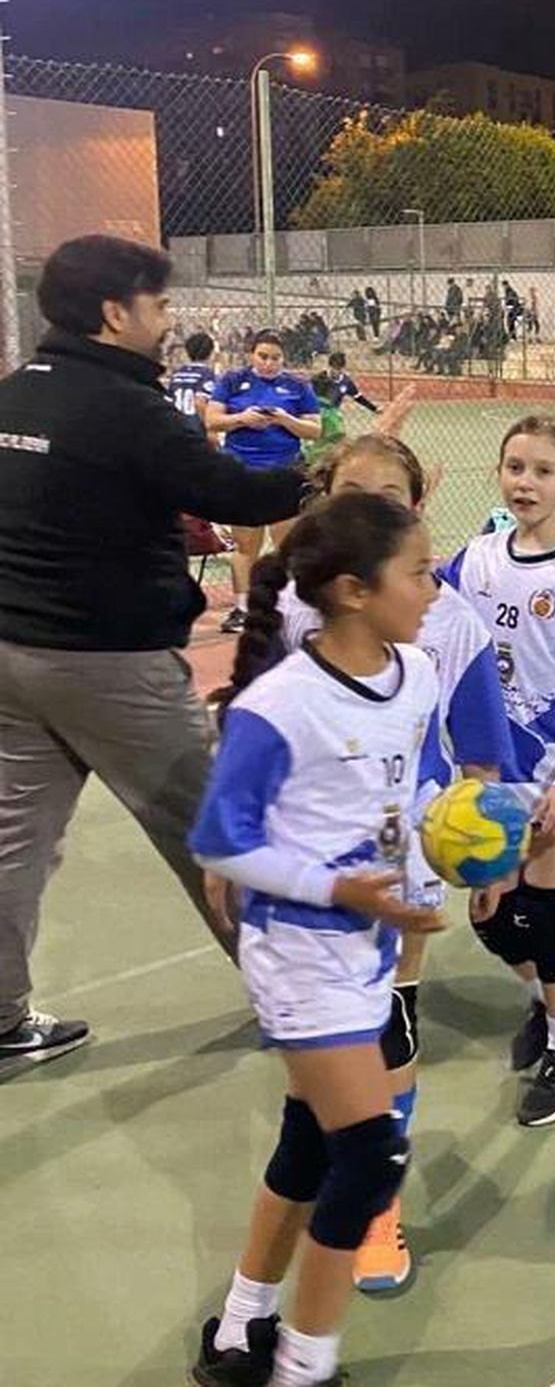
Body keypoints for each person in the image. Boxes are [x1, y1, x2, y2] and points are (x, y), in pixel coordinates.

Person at [0, 236, 314, 1070]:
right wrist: (328, 476)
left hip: (12, 654)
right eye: (159, 303)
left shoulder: (14, 394)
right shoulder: (128, 409)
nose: (168, 318)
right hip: (111, 663)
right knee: (216, 823)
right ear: (115, 313)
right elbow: (236, 494)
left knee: (14, 841)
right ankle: (300, 999)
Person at [186, 492, 444, 1387]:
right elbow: (219, 840)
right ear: (352, 592)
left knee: (309, 1142)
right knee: (371, 1156)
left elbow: (408, 795)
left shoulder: (418, 676)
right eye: (418, 572)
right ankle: (305, 1366)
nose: (433, 587)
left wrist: (460, 841)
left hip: (366, 947)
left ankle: (239, 1331)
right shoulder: (281, 705)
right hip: (297, 950)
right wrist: (337, 888)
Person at [276, 435, 512, 1292]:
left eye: (389, 496)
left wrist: (491, 859)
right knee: (319, 1038)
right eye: (353, 494)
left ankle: (376, 1203)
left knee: (387, 1022)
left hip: (401, 851)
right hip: (309, 854)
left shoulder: (450, 620)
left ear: (417, 506)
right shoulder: (294, 610)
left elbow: (481, 756)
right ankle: (326, 1164)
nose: (371, 509)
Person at [439, 417, 555, 1127]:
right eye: (515, 467)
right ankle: (548, 1001)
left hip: (552, 775)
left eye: (543, 470)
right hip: (490, 773)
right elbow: (425, 610)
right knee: (490, 917)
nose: (526, 482)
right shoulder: (478, 558)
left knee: (539, 915)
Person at [208, 332, 324, 633]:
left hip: (285, 473)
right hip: (243, 472)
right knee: (246, 544)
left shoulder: (297, 385)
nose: (269, 363)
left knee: (286, 544)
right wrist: (242, 418)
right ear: (251, 355)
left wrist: (285, 419)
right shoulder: (232, 380)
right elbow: (212, 420)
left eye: (275, 358)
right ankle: (242, 609)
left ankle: (285, 605)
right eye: (263, 356)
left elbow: (315, 430)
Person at [167, 330, 218, 432]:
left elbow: (169, 400)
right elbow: (200, 402)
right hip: (194, 427)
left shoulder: (178, 374)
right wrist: (209, 428)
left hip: (177, 425)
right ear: (211, 353)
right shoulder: (206, 374)